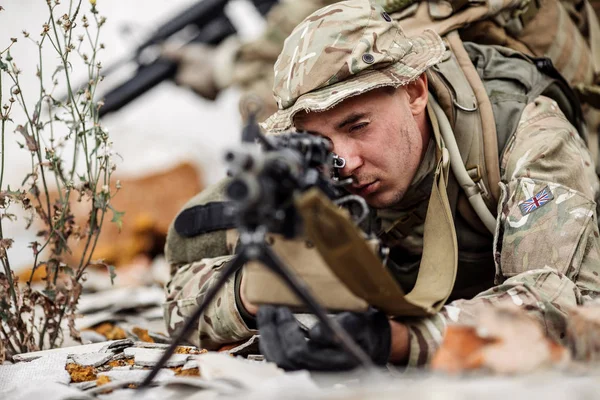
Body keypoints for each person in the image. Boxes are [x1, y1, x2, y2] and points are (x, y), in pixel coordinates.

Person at [163, 0, 600, 370]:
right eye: (319, 141)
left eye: (358, 125)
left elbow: (559, 302)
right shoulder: (302, 165)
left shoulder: (525, 133)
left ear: (414, 91)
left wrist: (397, 340)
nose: (345, 161)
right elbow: (183, 287)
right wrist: (251, 295)